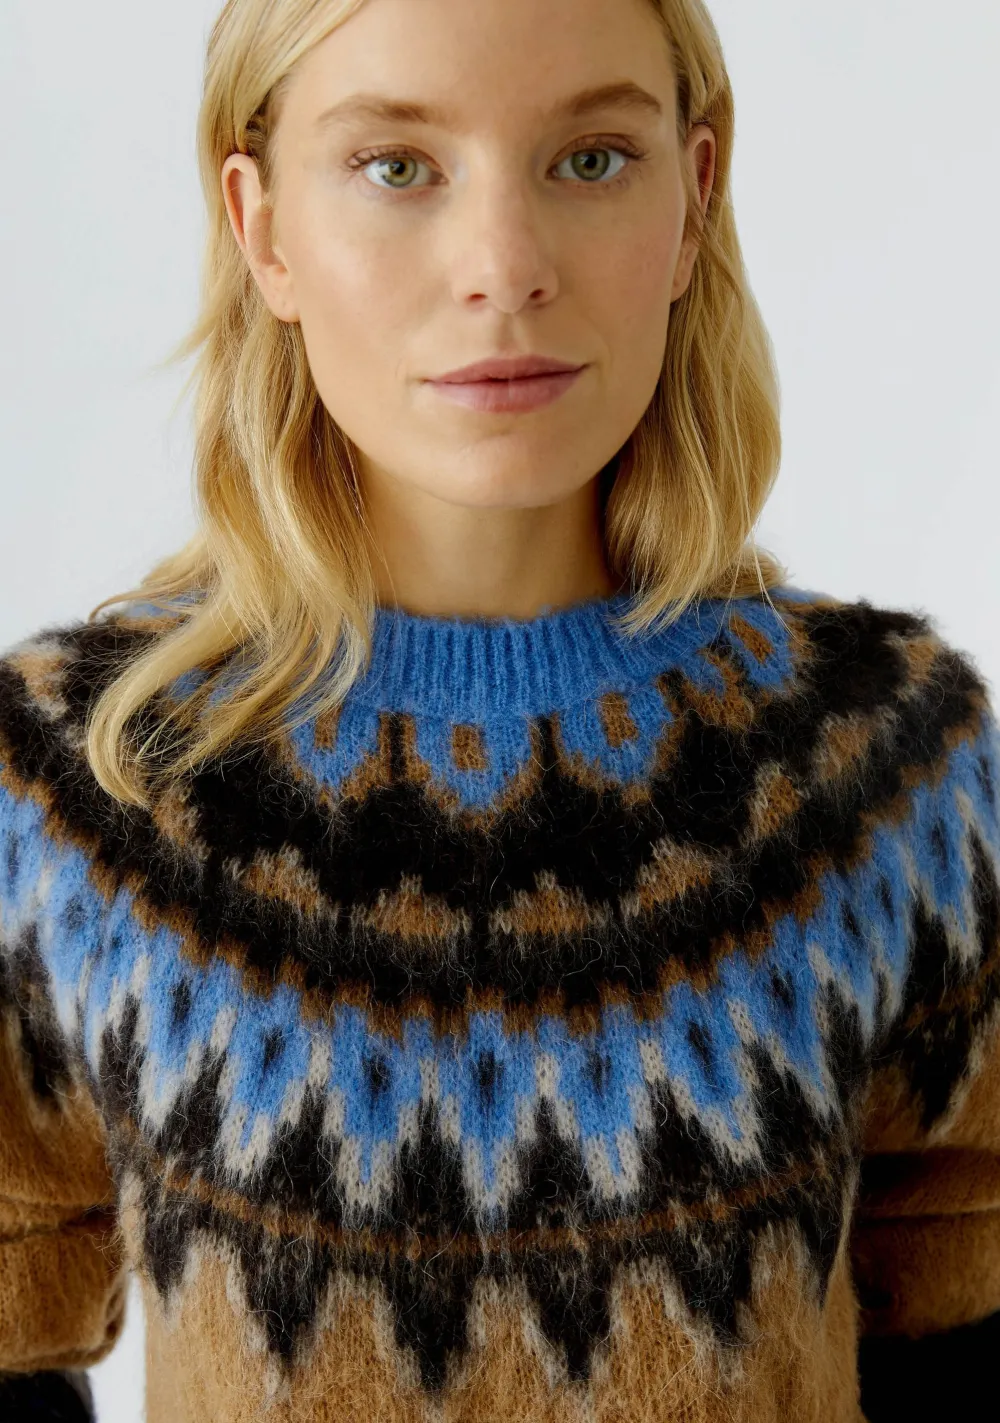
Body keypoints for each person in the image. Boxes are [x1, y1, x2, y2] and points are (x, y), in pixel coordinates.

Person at [1, 0, 998, 1418]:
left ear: (696, 194)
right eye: (396, 167)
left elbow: (961, 1311)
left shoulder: (888, 764)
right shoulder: (74, 786)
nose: (505, 268)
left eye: (590, 159)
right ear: (262, 227)